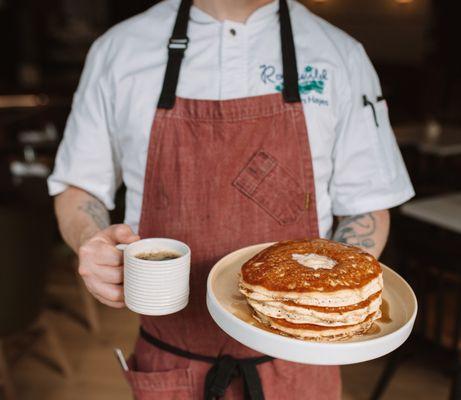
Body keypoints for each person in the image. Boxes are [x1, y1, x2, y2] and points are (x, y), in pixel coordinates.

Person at [48, 0, 415, 398]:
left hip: (303, 367)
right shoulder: (119, 50)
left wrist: (329, 300)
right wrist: (91, 240)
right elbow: (78, 185)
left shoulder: (340, 55)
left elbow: (367, 203)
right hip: (171, 365)